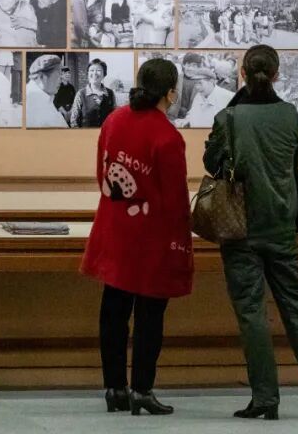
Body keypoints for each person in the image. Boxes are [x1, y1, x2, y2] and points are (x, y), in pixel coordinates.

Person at [203, 45, 298, 421]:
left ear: (242, 74)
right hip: (282, 224)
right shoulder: (290, 114)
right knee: (297, 307)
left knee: (252, 313)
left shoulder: (228, 116)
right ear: (277, 74)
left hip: (241, 227)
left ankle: (265, 398)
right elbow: (292, 162)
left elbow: (212, 163)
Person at [80, 58, 191, 416]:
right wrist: (181, 244)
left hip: (115, 231)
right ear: (170, 93)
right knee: (149, 315)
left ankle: (114, 388)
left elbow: (103, 174)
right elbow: (175, 201)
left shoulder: (114, 120)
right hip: (151, 239)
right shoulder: (167, 137)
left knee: (113, 311)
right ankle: (142, 389)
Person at [69, 58, 115, 128]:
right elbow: (74, 121)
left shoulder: (110, 94)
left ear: (104, 74)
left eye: (98, 70)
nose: (95, 73)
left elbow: (114, 118)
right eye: (92, 70)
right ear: (88, 74)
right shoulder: (81, 94)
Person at [25, 54, 68, 127]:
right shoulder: (32, 103)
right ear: (42, 76)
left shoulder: (45, 97)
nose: (61, 80)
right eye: (59, 74)